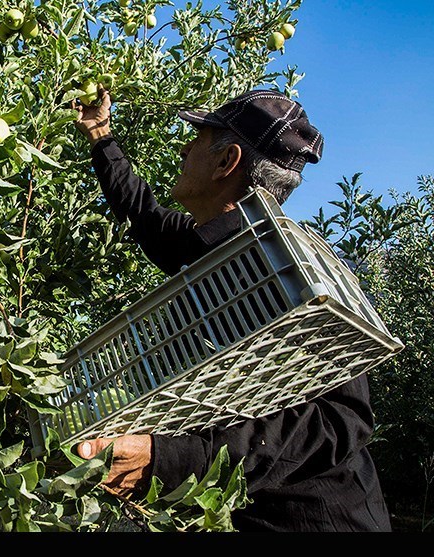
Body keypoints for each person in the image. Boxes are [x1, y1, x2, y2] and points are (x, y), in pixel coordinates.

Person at [72, 87, 392, 532]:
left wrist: (174, 458)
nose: (184, 148)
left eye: (199, 138)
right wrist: (101, 135)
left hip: (316, 521)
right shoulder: (211, 246)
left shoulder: (291, 274)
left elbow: (341, 422)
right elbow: (142, 213)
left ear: (227, 162)